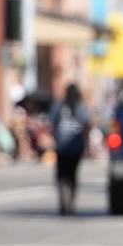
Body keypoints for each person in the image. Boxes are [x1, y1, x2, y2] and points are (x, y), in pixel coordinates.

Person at [48, 84, 92, 215]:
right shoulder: (81, 107)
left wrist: (55, 136)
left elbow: (51, 122)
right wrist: (87, 143)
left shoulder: (59, 106)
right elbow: (87, 125)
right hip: (76, 147)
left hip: (61, 146)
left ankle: (63, 199)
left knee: (61, 174)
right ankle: (70, 201)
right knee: (73, 174)